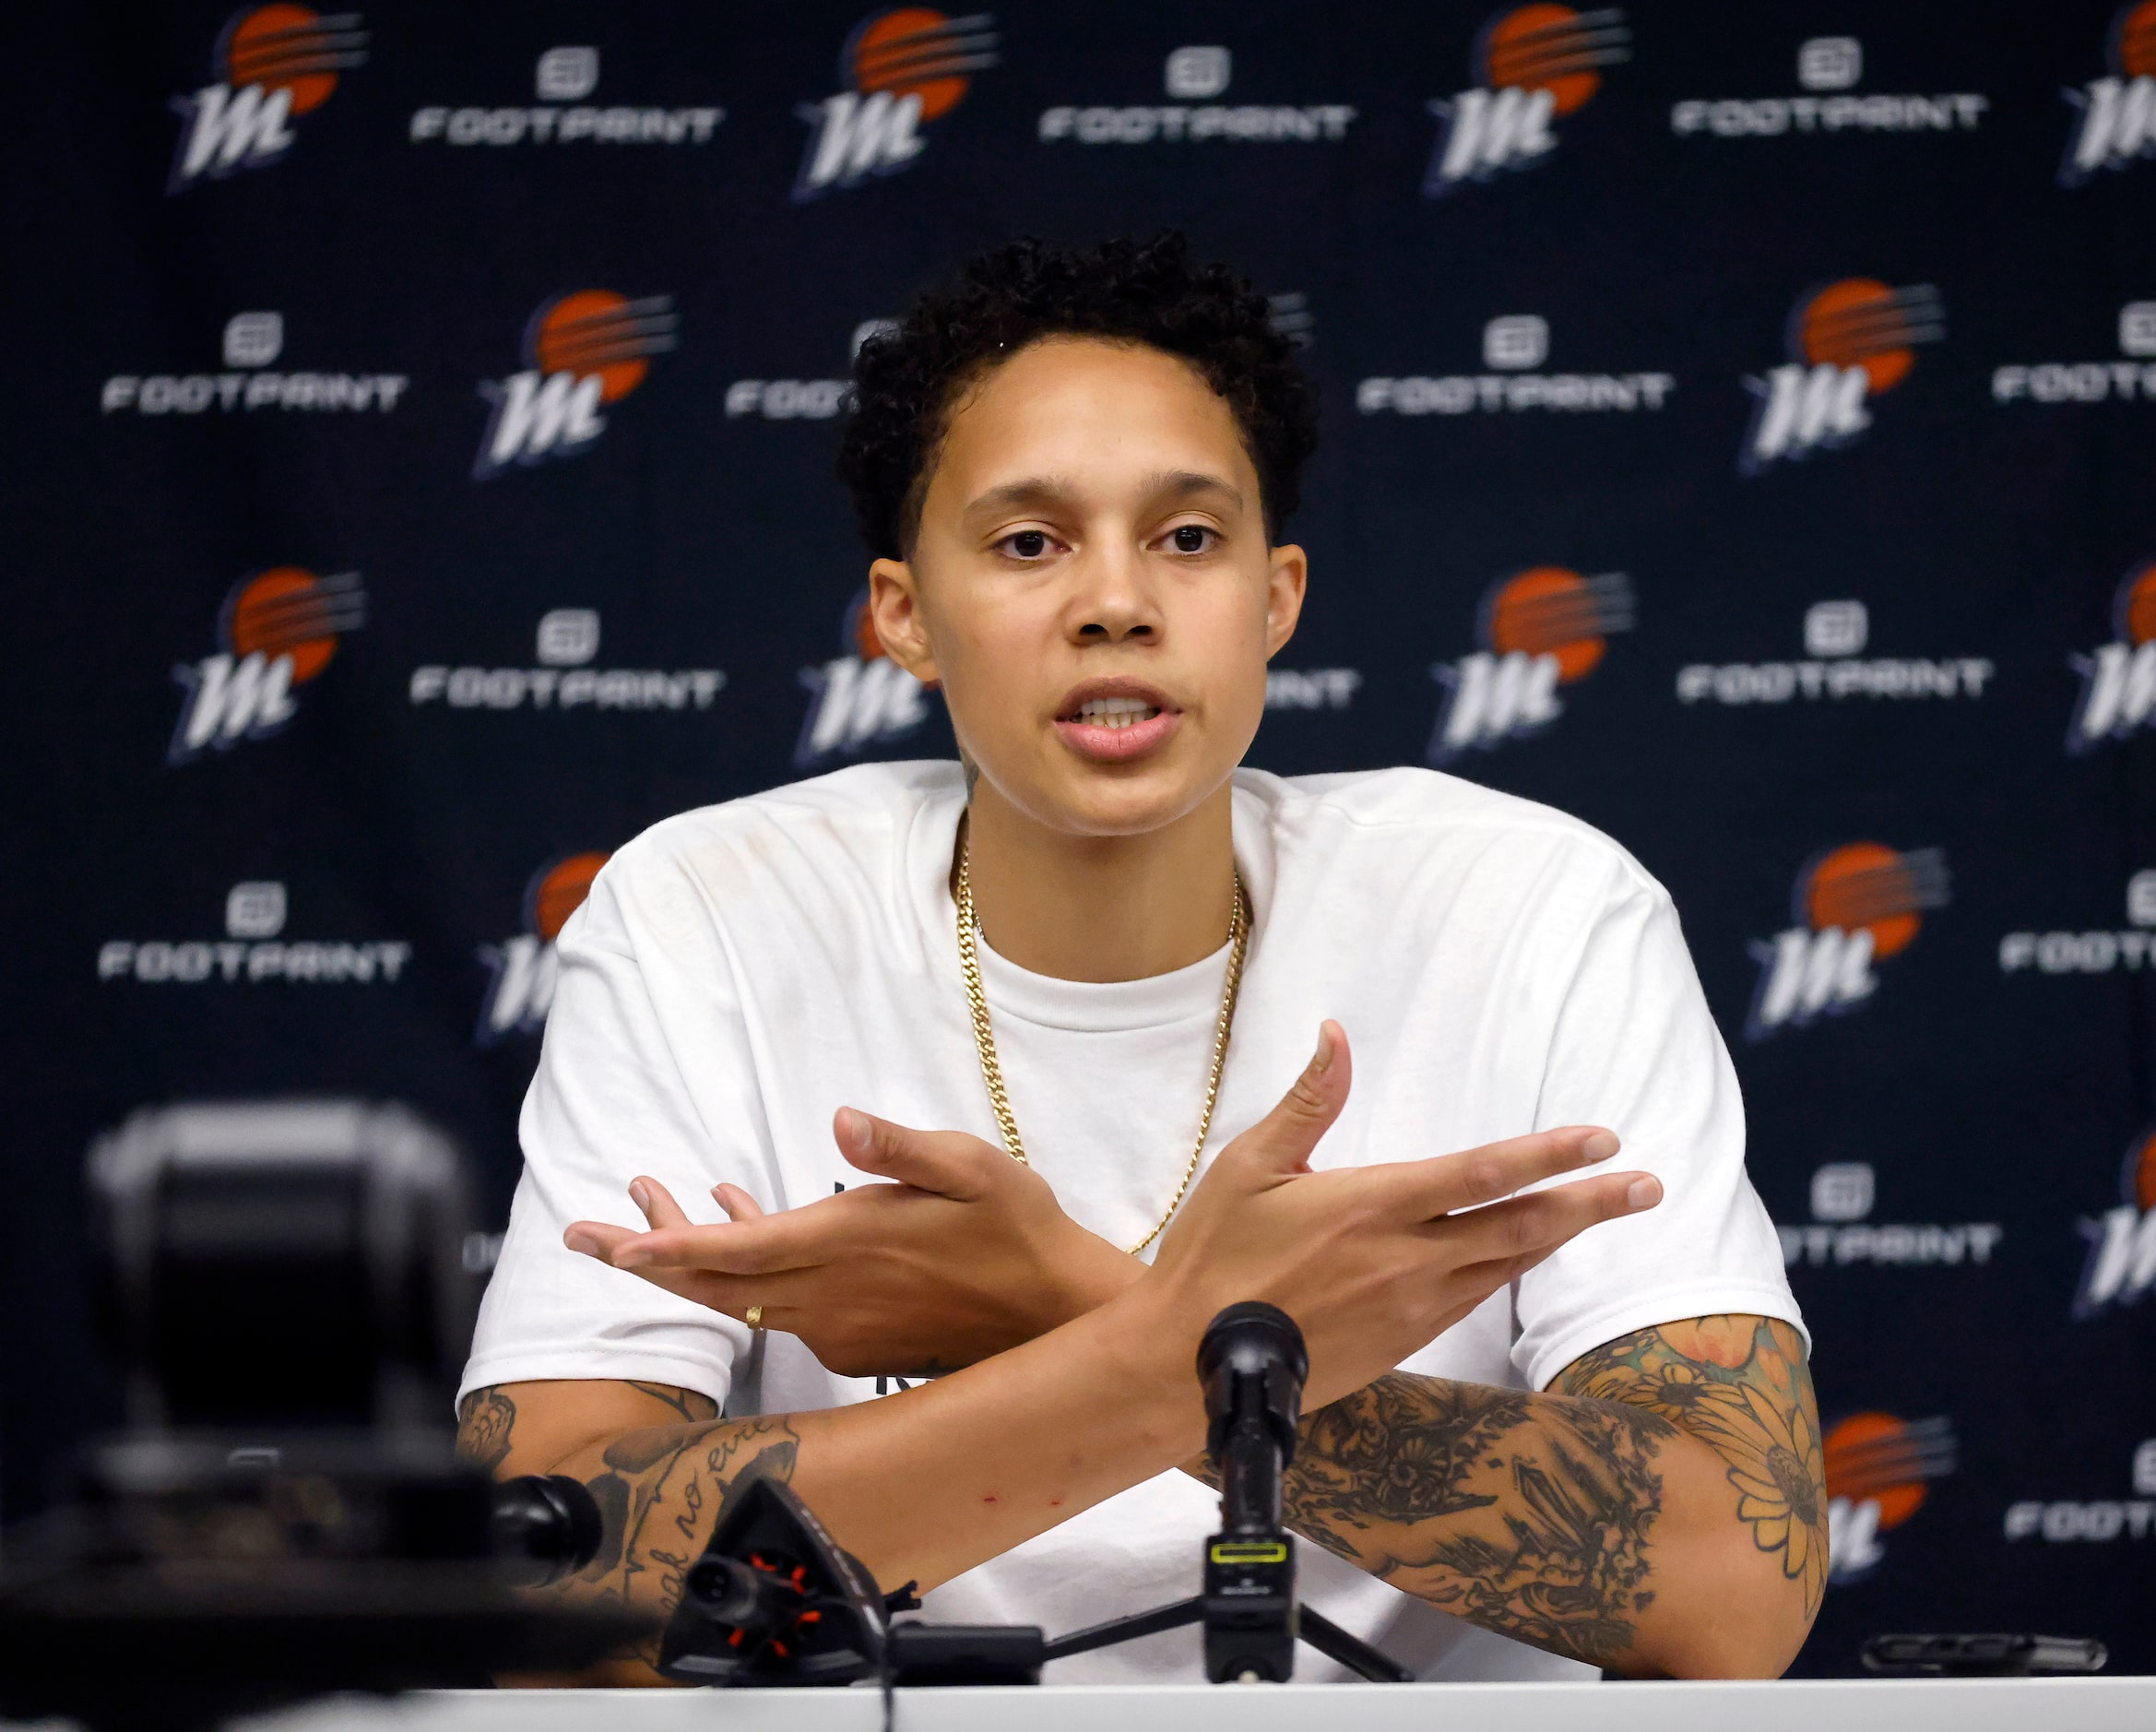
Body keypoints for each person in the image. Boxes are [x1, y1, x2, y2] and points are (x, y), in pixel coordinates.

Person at [456, 234, 1822, 1683]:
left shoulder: (1532, 904)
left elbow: (1734, 1584)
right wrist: (1159, 1339)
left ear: (1276, 597)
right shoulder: (712, 908)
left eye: (1186, 537)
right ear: (902, 614)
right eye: (1028, 541)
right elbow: (538, 1589)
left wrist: (1046, 1290)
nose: (1116, 601)